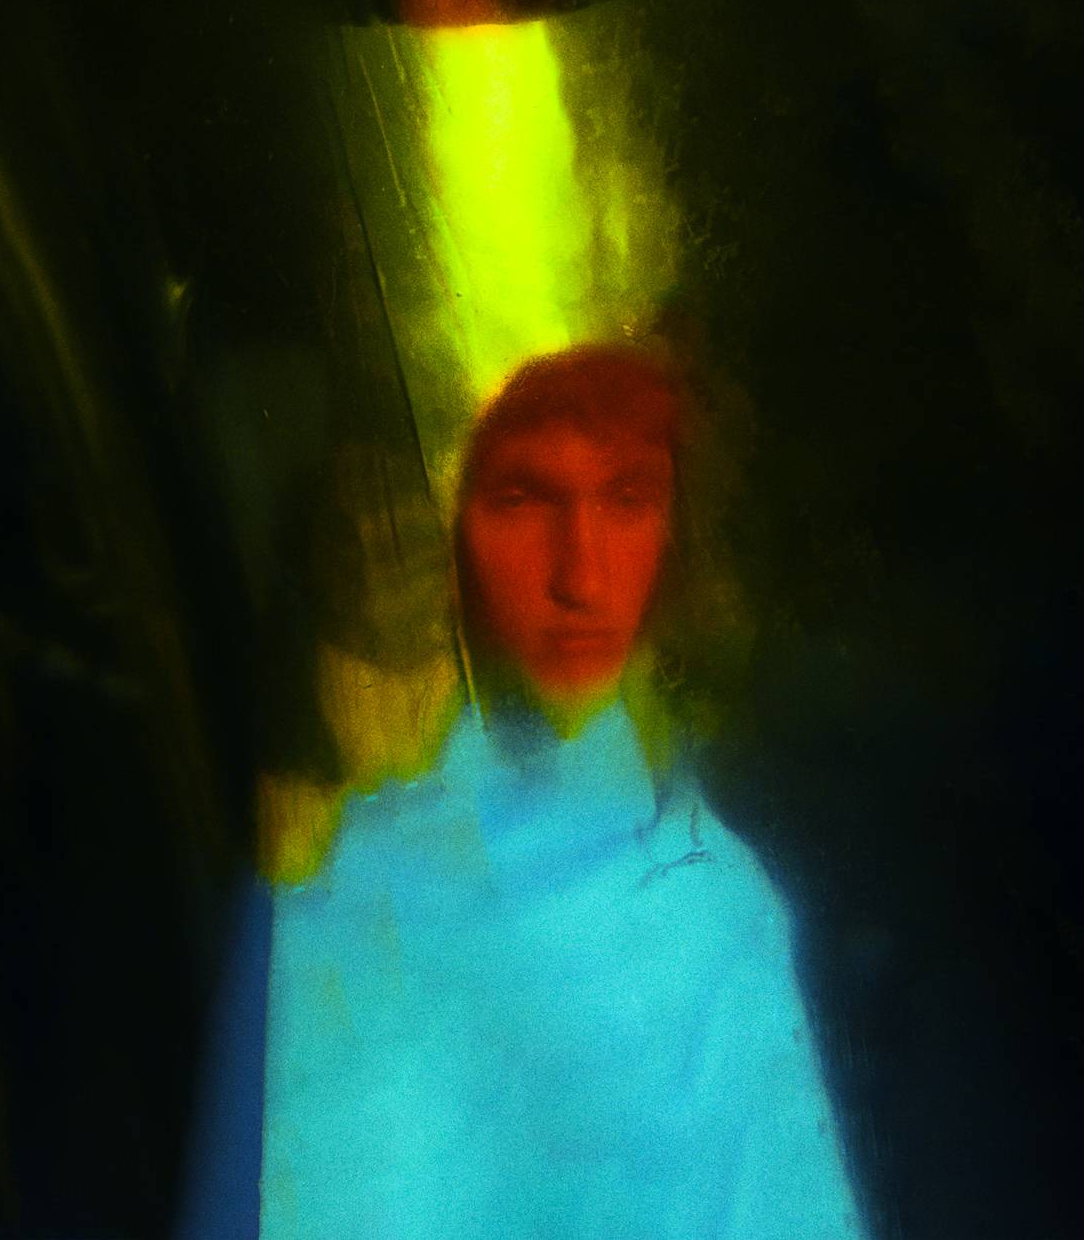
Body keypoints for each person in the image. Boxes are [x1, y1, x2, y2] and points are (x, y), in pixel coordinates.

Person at [180, 346, 868, 1239]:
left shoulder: (718, 900)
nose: (581, 575)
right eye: (522, 501)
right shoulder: (312, 887)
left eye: (627, 499)